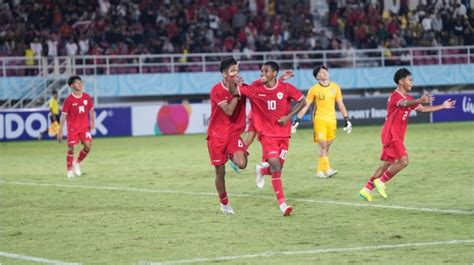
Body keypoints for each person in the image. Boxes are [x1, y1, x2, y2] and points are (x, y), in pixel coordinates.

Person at [359, 68, 456, 201]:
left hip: (394, 134)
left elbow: (423, 109)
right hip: (391, 133)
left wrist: (442, 106)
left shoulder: (409, 98)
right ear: (401, 81)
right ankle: (381, 182)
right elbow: (404, 104)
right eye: (410, 80)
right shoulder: (396, 96)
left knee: (386, 165)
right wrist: (418, 100)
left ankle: (366, 190)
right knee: (404, 161)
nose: (412, 83)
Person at [235, 61, 306, 216]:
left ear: (273, 74)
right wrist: (235, 76)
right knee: (276, 167)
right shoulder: (256, 87)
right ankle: (282, 204)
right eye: (261, 71)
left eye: (265, 71)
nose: (262, 74)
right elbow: (239, 89)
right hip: (267, 135)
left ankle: (261, 169)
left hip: (284, 135)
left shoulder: (285, 88)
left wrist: (288, 116)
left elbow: (303, 101)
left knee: (278, 167)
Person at [292, 65, 352, 178]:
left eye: (325, 71)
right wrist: (297, 119)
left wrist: (346, 119)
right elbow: (306, 105)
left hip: (332, 119)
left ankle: (321, 170)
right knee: (323, 145)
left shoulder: (336, 87)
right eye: (320, 72)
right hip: (319, 119)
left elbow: (340, 104)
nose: (323, 73)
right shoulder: (314, 89)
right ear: (317, 77)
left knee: (327, 146)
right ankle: (326, 169)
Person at [207, 58, 248, 215]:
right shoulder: (216, 90)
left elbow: (259, 91)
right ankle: (224, 203)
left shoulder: (241, 86)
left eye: (236, 70)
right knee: (220, 172)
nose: (235, 73)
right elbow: (229, 111)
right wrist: (237, 93)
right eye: (232, 71)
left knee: (242, 163)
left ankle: (232, 157)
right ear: (224, 74)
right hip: (216, 135)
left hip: (232, 133)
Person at [58, 76, 95, 178]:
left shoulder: (87, 97)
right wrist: (60, 130)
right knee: (71, 148)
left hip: (84, 127)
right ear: (71, 86)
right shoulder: (69, 100)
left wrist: (92, 121)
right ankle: (69, 170)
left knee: (88, 146)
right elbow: (64, 115)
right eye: (77, 83)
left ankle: (77, 162)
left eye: (80, 82)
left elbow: (91, 110)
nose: (80, 84)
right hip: (72, 128)